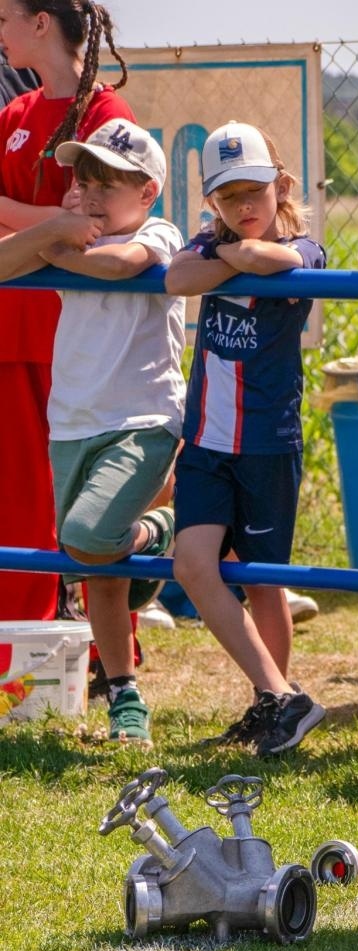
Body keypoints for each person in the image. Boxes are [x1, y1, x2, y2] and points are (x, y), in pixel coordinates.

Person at [0, 119, 185, 745]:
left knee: (84, 535)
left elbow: (117, 266)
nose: (95, 192)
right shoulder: (68, 239)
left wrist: (55, 245)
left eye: (114, 181)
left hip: (142, 420)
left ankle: (162, 530)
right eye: (86, 179)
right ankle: (125, 695)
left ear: (150, 192)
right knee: (96, 567)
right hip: (73, 421)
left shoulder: (159, 233)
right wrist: (54, 228)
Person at [165, 121, 326, 757]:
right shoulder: (205, 247)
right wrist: (222, 254)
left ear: (281, 184)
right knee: (193, 565)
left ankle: (274, 706)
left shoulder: (306, 246)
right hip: (206, 441)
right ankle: (279, 697)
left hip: (267, 443)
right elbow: (176, 280)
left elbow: (276, 260)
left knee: (263, 581)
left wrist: (224, 256)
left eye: (253, 191)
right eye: (228, 198)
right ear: (211, 202)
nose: (243, 207)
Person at [0, 0, 132, 622]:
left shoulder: (106, 113)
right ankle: (22, 652)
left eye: (5, 17)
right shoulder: (16, 115)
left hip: (83, 337)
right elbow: (67, 225)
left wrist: (23, 219)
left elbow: (98, 223)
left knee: (96, 498)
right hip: (13, 331)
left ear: (40, 22)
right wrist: (53, 223)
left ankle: (117, 657)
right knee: (21, 502)